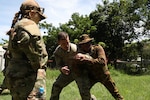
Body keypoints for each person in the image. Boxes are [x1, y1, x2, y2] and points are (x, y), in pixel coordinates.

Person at [5, 0, 48, 99]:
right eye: (39, 16)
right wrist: (39, 66)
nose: (39, 21)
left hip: (16, 76)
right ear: (32, 13)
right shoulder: (29, 26)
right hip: (28, 78)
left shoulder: (17, 26)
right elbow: (35, 55)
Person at [73, 34, 124, 100]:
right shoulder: (80, 53)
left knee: (116, 94)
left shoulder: (97, 48)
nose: (86, 45)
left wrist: (88, 60)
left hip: (104, 75)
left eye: (88, 43)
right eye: (84, 44)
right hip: (92, 77)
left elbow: (102, 61)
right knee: (84, 91)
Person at [50, 32, 95, 100]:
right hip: (68, 72)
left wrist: (84, 57)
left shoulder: (76, 48)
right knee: (56, 86)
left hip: (80, 72)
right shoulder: (57, 52)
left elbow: (90, 57)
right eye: (63, 44)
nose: (66, 45)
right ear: (58, 42)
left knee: (84, 93)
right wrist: (62, 69)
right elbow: (58, 65)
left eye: (67, 43)